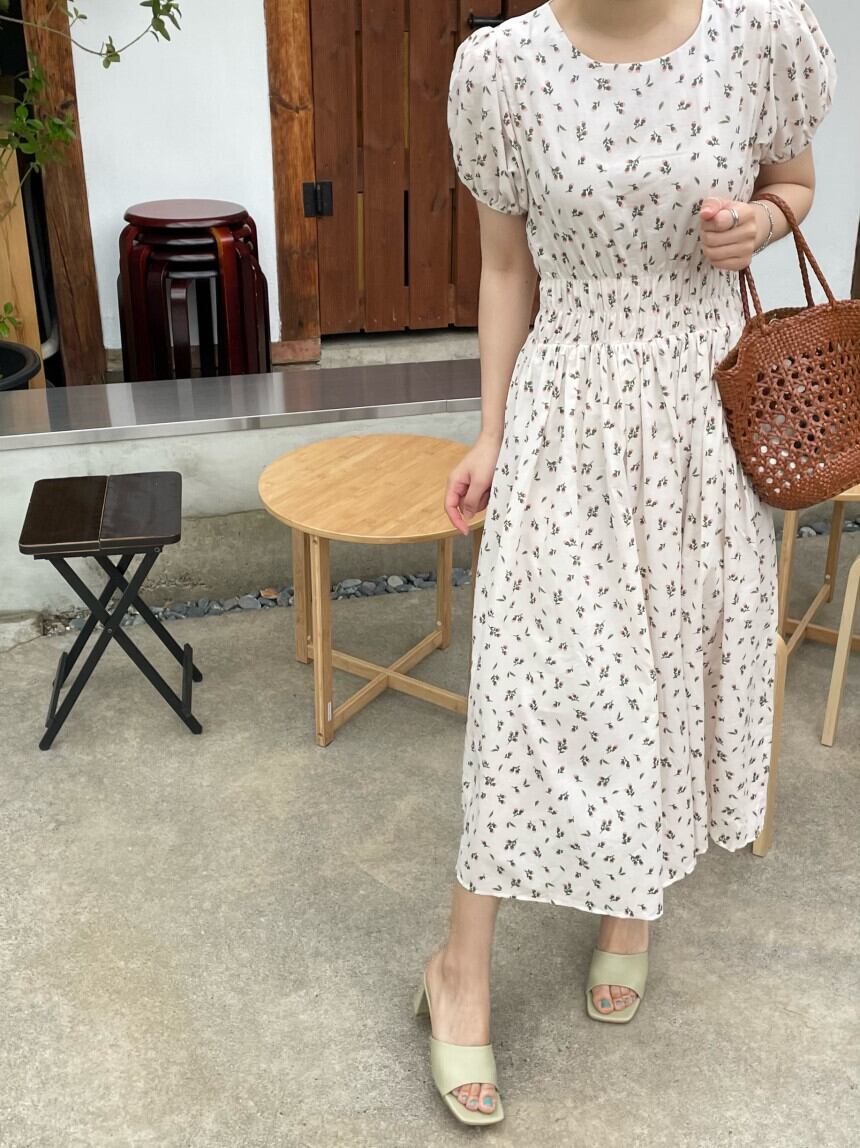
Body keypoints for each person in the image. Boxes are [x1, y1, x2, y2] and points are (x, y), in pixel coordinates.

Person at [413, 0, 837, 1126]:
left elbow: (795, 183)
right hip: (567, 418)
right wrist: (491, 432)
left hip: (702, 419)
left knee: (669, 664)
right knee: (527, 688)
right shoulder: (503, 68)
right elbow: (504, 268)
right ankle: (460, 967)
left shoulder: (757, 35)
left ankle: (629, 910)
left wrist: (761, 218)